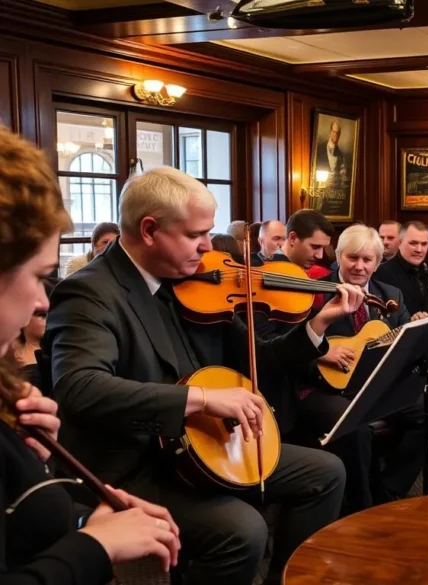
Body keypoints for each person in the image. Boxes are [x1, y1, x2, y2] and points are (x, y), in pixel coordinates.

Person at [43, 166, 361, 585]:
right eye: (196, 235)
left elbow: (259, 359)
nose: (207, 247)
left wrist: (317, 326)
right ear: (151, 229)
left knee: (326, 472)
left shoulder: (190, 282)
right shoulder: (89, 292)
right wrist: (204, 400)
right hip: (135, 464)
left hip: (200, 443)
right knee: (242, 529)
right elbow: (79, 387)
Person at [0, 125, 181, 585]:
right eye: (39, 275)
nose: (43, 301)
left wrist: (33, 463)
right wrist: (96, 546)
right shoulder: (91, 291)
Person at [302, 224, 428, 498]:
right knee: (355, 427)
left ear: (377, 262)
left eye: (367, 259)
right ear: (338, 256)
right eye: (352, 258)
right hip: (332, 386)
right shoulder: (315, 292)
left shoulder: (391, 295)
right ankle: (361, 503)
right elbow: (296, 343)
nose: (359, 266)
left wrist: (419, 332)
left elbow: (408, 342)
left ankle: (389, 490)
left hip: (379, 383)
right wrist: (322, 352)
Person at [374, 221, 428, 475]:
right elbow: (383, 323)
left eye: (424, 243)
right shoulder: (383, 275)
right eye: (413, 243)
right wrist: (411, 321)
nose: (419, 249)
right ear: (400, 242)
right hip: (401, 347)